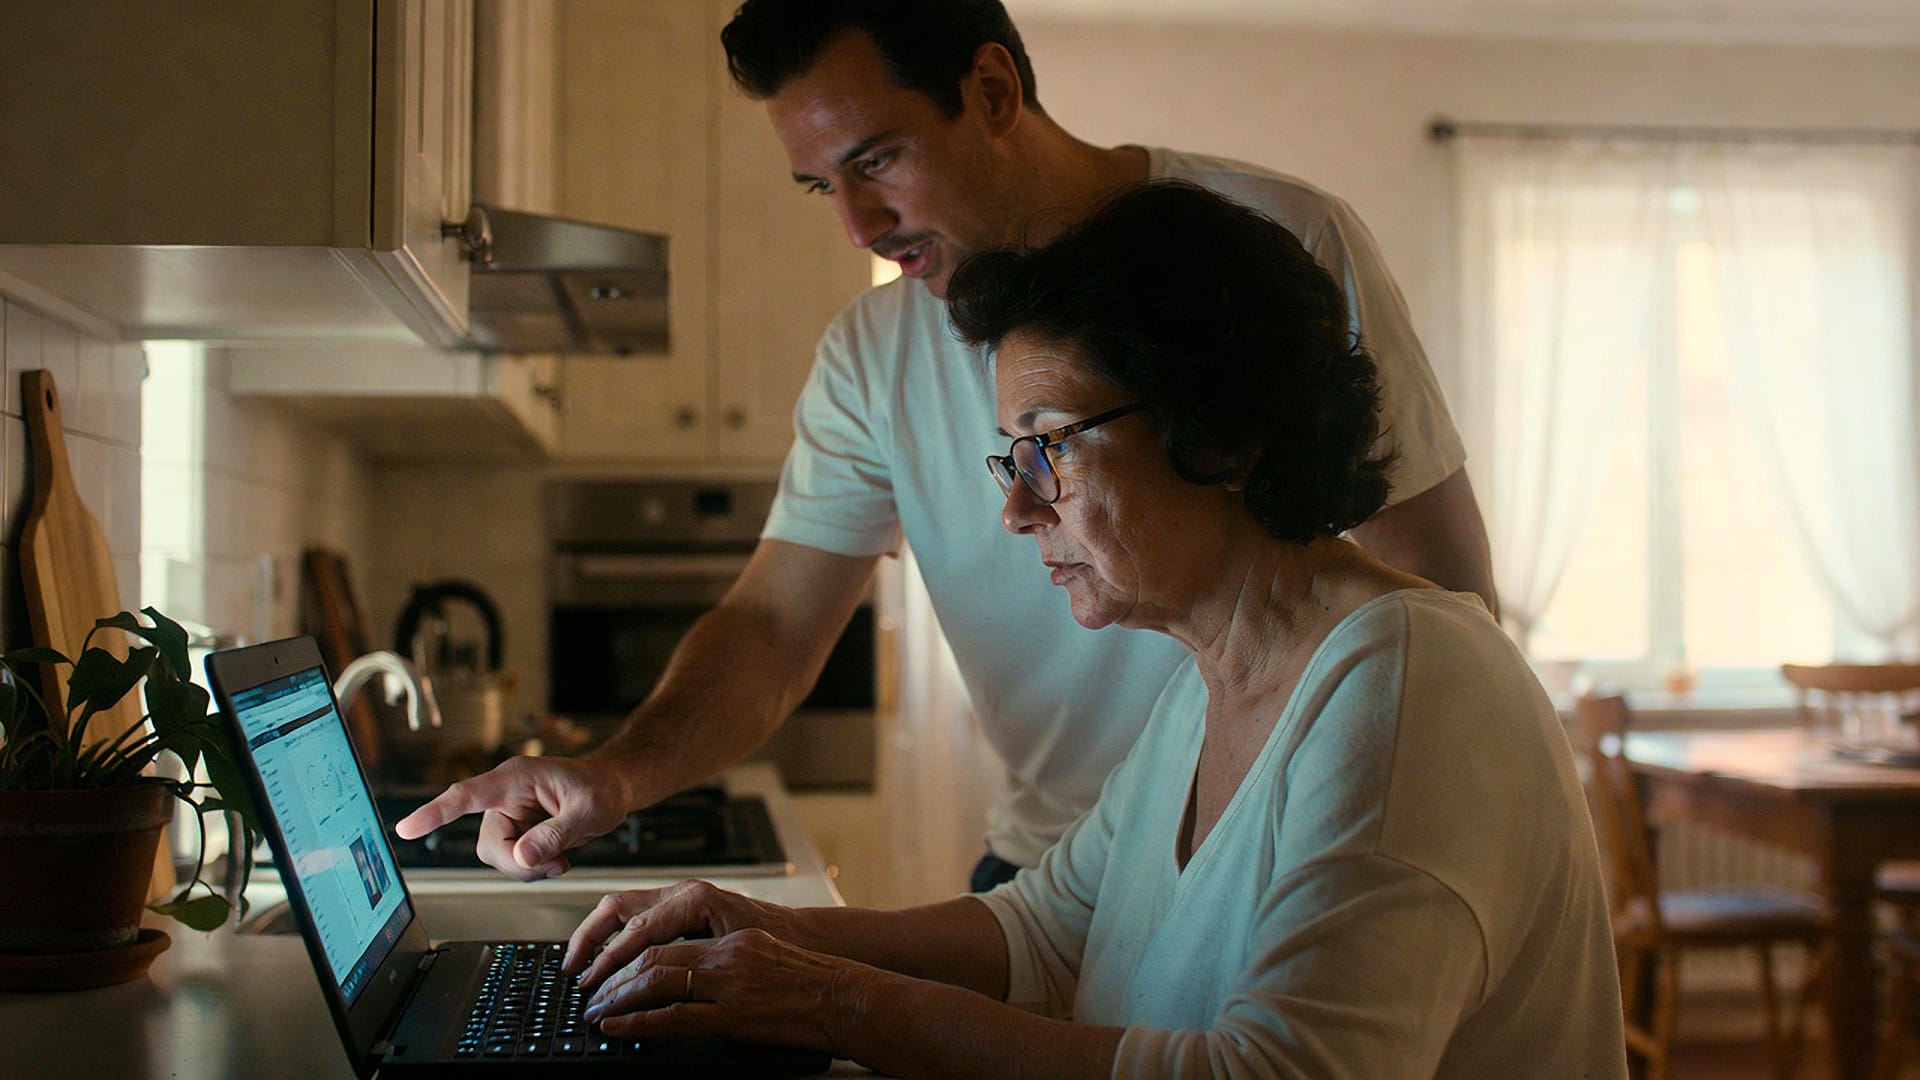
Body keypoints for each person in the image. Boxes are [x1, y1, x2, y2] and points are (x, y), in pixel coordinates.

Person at [396, 0, 1497, 890]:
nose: (856, 226)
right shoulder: (871, 353)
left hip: (1272, 855)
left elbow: (1436, 585)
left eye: (877, 160)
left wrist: (1384, 842)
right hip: (1045, 868)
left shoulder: (1279, 243)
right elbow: (776, 627)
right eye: (825, 184)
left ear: (993, 91)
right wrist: (617, 774)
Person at [556, 181, 1626, 1079]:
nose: (1018, 509)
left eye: (1048, 445)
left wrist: (834, 1004)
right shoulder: (1210, 684)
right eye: (1010, 456)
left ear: (1226, 432)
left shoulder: (1407, 684)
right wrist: (769, 931)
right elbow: (1042, 935)